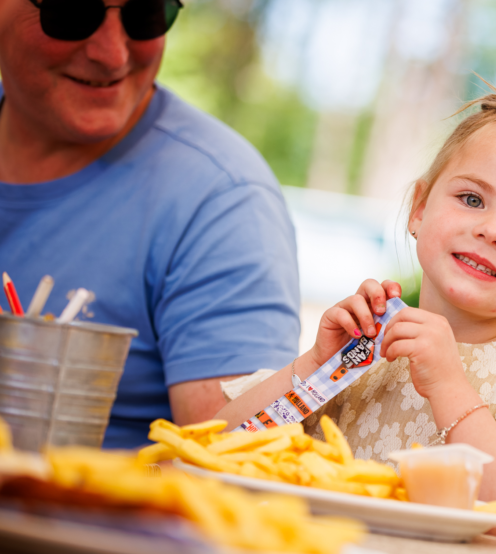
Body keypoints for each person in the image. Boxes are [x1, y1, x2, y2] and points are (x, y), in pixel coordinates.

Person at [216, 86, 496, 554]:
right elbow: (217, 448)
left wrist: (450, 388)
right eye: (472, 199)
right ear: (419, 208)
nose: (491, 231)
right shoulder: (366, 350)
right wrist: (314, 366)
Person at [0, 0, 300, 448]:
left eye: (146, 12)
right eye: (71, 13)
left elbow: (228, 464)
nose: (113, 53)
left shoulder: (220, 199)